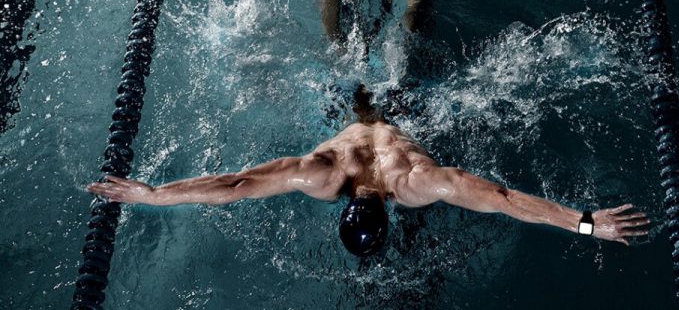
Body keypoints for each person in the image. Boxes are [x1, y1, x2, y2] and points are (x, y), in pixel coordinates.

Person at [87, 85, 650, 257]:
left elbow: (234, 185)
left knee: (368, 68)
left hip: (376, 114)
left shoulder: (347, 176)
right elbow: (501, 197)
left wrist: (586, 224)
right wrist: (153, 193)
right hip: (384, 116)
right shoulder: (330, 178)